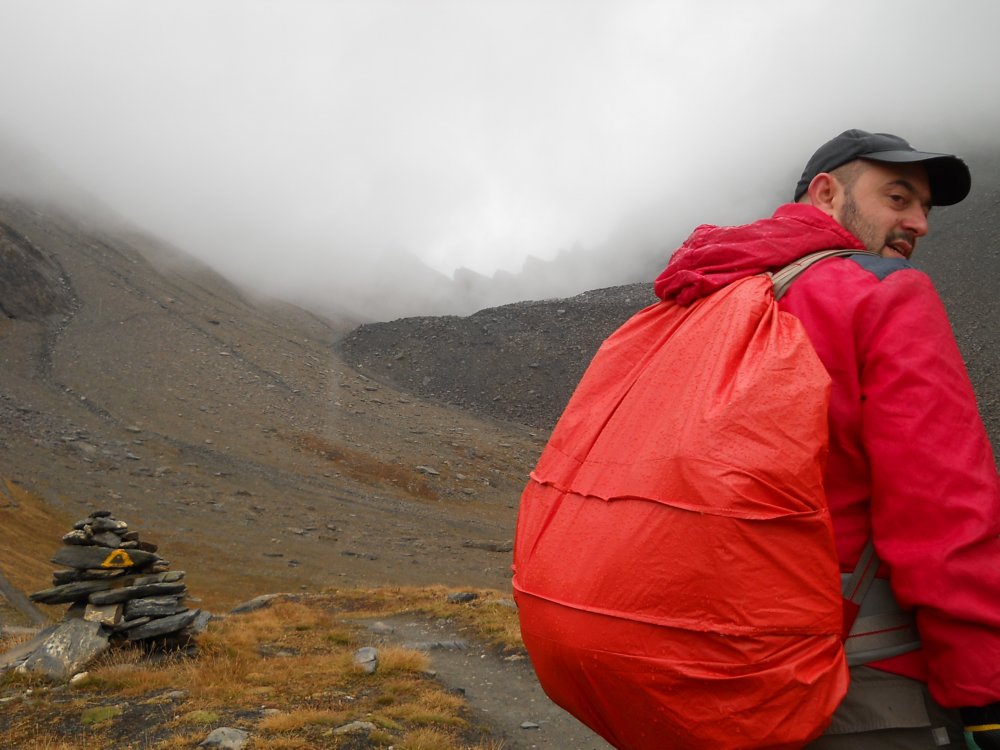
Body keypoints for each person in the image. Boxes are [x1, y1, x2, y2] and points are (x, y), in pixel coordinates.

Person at [652, 129, 1000, 748]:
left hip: (699, 676)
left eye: (924, 209)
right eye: (898, 198)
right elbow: (942, 509)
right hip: (860, 687)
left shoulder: (703, 297)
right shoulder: (884, 294)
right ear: (826, 192)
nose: (919, 224)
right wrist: (985, 688)